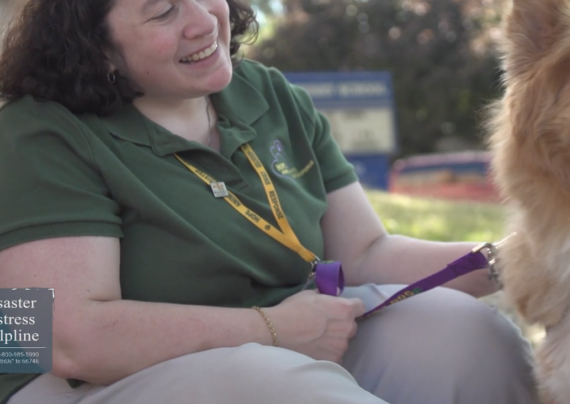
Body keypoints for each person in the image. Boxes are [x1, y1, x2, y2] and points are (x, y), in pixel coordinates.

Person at [0, 0, 538, 403]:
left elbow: (365, 253)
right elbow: (61, 340)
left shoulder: (267, 92)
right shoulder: (32, 133)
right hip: (80, 384)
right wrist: (273, 330)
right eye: (163, 11)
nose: (204, 21)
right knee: (284, 389)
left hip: (297, 339)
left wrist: (526, 261)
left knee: (472, 339)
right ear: (96, 47)